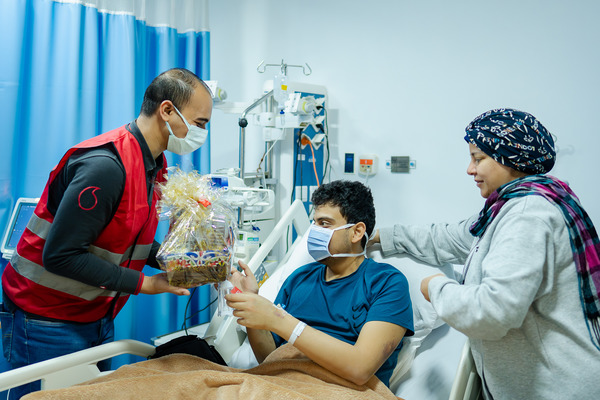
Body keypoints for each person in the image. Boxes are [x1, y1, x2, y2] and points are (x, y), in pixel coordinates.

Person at [0, 68, 213, 399]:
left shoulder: (153, 165)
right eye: (200, 123)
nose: (202, 133)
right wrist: (146, 284)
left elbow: (127, 240)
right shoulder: (106, 166)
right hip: (45, 319)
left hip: (95, 316)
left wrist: (174, 260)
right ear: (167, 111)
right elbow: (61, 255)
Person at [370, 108, 600, 399]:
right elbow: (450, 238)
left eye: (478, 158)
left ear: (511, 158)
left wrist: (436, 287)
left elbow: (493, 313)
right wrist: (379, 237)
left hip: (556, 389)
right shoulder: (513, 207)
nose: (470, 169)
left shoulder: (527, 215)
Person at [226, 180, 414, 388]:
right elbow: (270, 359)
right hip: (285, 384)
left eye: (325, 224)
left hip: (341, 390)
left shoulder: (386, 283)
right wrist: (251, 303)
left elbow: (360, 369)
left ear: (357, 232)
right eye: (314, 223)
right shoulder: (300, 278)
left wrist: (278, 319)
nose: (314, 231)